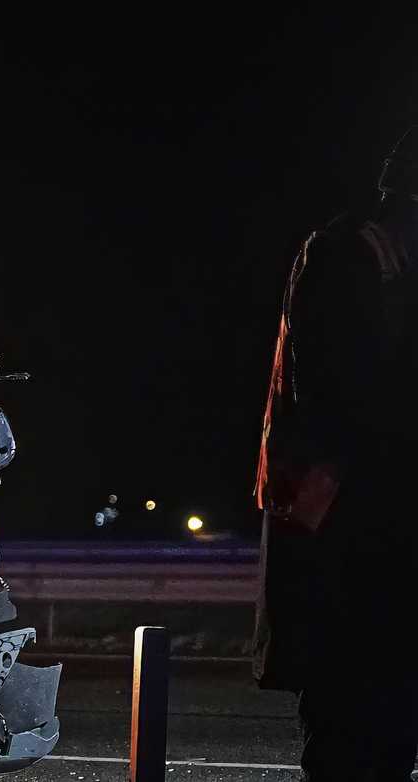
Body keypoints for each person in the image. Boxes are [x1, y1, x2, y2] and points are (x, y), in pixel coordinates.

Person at [254, 126, 418, 781]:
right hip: (362, 535)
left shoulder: (358, 251)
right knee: (360, 732)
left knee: (367, 729)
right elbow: (338, 399)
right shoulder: (357, 255)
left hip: (364, 533)